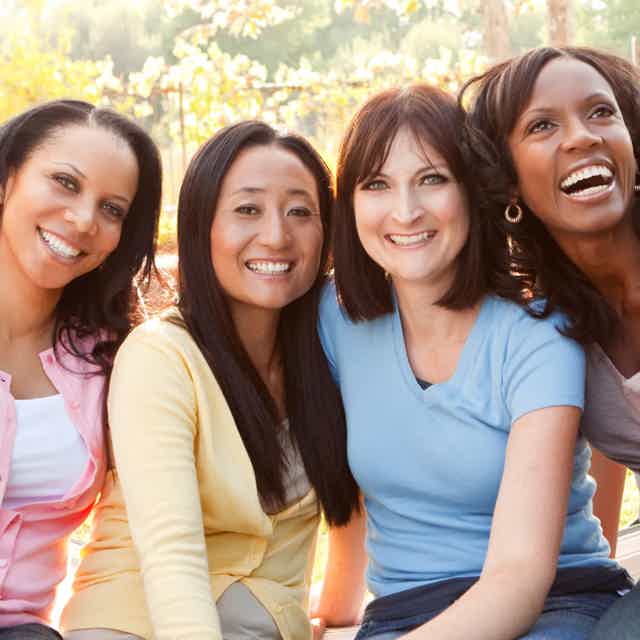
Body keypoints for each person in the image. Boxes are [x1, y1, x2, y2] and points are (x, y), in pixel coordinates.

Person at [311, 84, 632, 640]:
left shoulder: (539, 332)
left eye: (432, 179)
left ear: (471, 192)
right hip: (403, 615)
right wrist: (334, 614)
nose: (406, 211)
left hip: (555, 605)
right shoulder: (335, 320)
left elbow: (520, 578)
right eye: (377, 184)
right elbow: (352, 494)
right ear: (351, 203)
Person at [61, 121, 360, 640]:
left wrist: (339, 611)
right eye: (248, 209)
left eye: (300, 212)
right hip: (138, 625)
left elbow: (355, 499)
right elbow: (172, 554)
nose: (276, 235)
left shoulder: (329, 352)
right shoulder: (161, 356)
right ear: (202, 228)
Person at [462, 46, 640, 639]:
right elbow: (610, 445)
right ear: (506, 179)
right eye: (543, 125)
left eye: (601, 113)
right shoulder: (551, 326)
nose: (581, 138)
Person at [0, 99, 162, 639]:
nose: (84, 220)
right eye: (65, 183)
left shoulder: (111, 359)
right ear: (7, 179)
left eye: (112, 209)